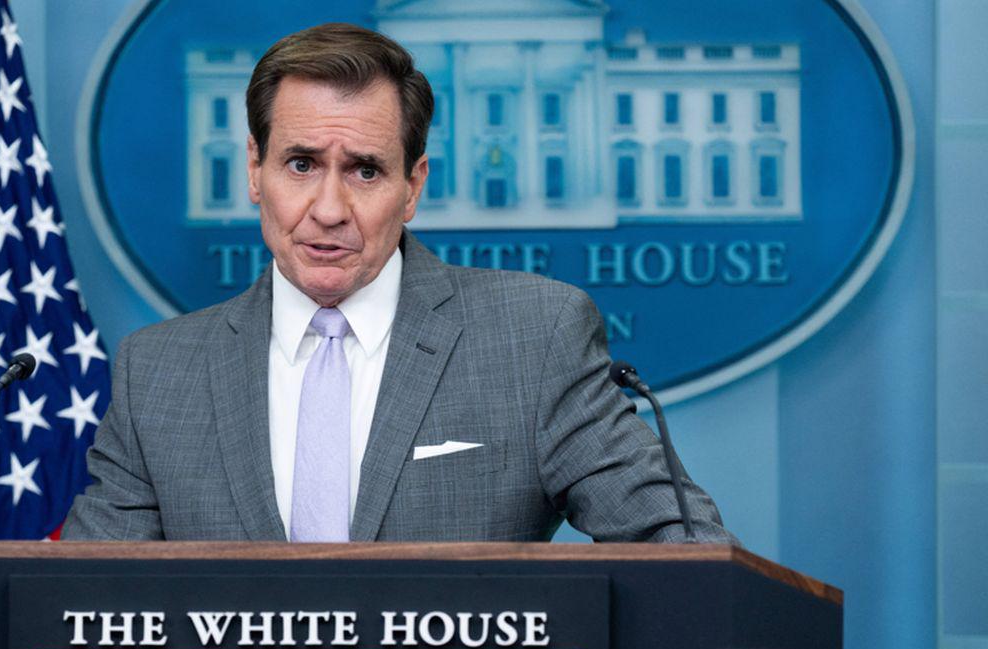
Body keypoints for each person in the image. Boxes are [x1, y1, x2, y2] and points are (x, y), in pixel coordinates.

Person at [63, 23, 736, 544]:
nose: (329, 209)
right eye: (301, 164)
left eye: (365, 170)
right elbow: (81, 604)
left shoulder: (533, 342)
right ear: (254, 169)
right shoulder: (159, 373)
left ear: (412, 187)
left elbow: (685, 552)